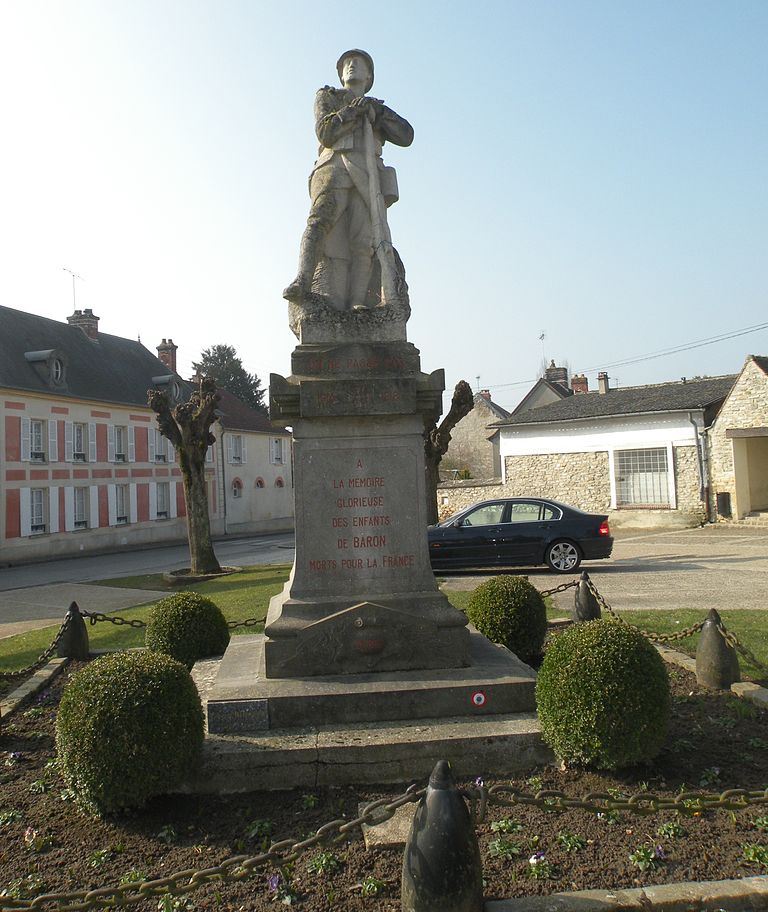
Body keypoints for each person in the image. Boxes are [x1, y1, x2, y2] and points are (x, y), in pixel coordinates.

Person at [283, 50, 413, 311]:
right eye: (347, 63)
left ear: (369, 76)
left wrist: (378, 113)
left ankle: (357, 301)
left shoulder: (377, 108)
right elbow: (325, 133)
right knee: (320, 221)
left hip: (367, 172)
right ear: (341, 74)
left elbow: (406, 135)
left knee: (363, 240)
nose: (352, 66)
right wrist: (352, 113)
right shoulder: (328, 97)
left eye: (359, 63)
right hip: (334, 167)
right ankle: (303, 280)